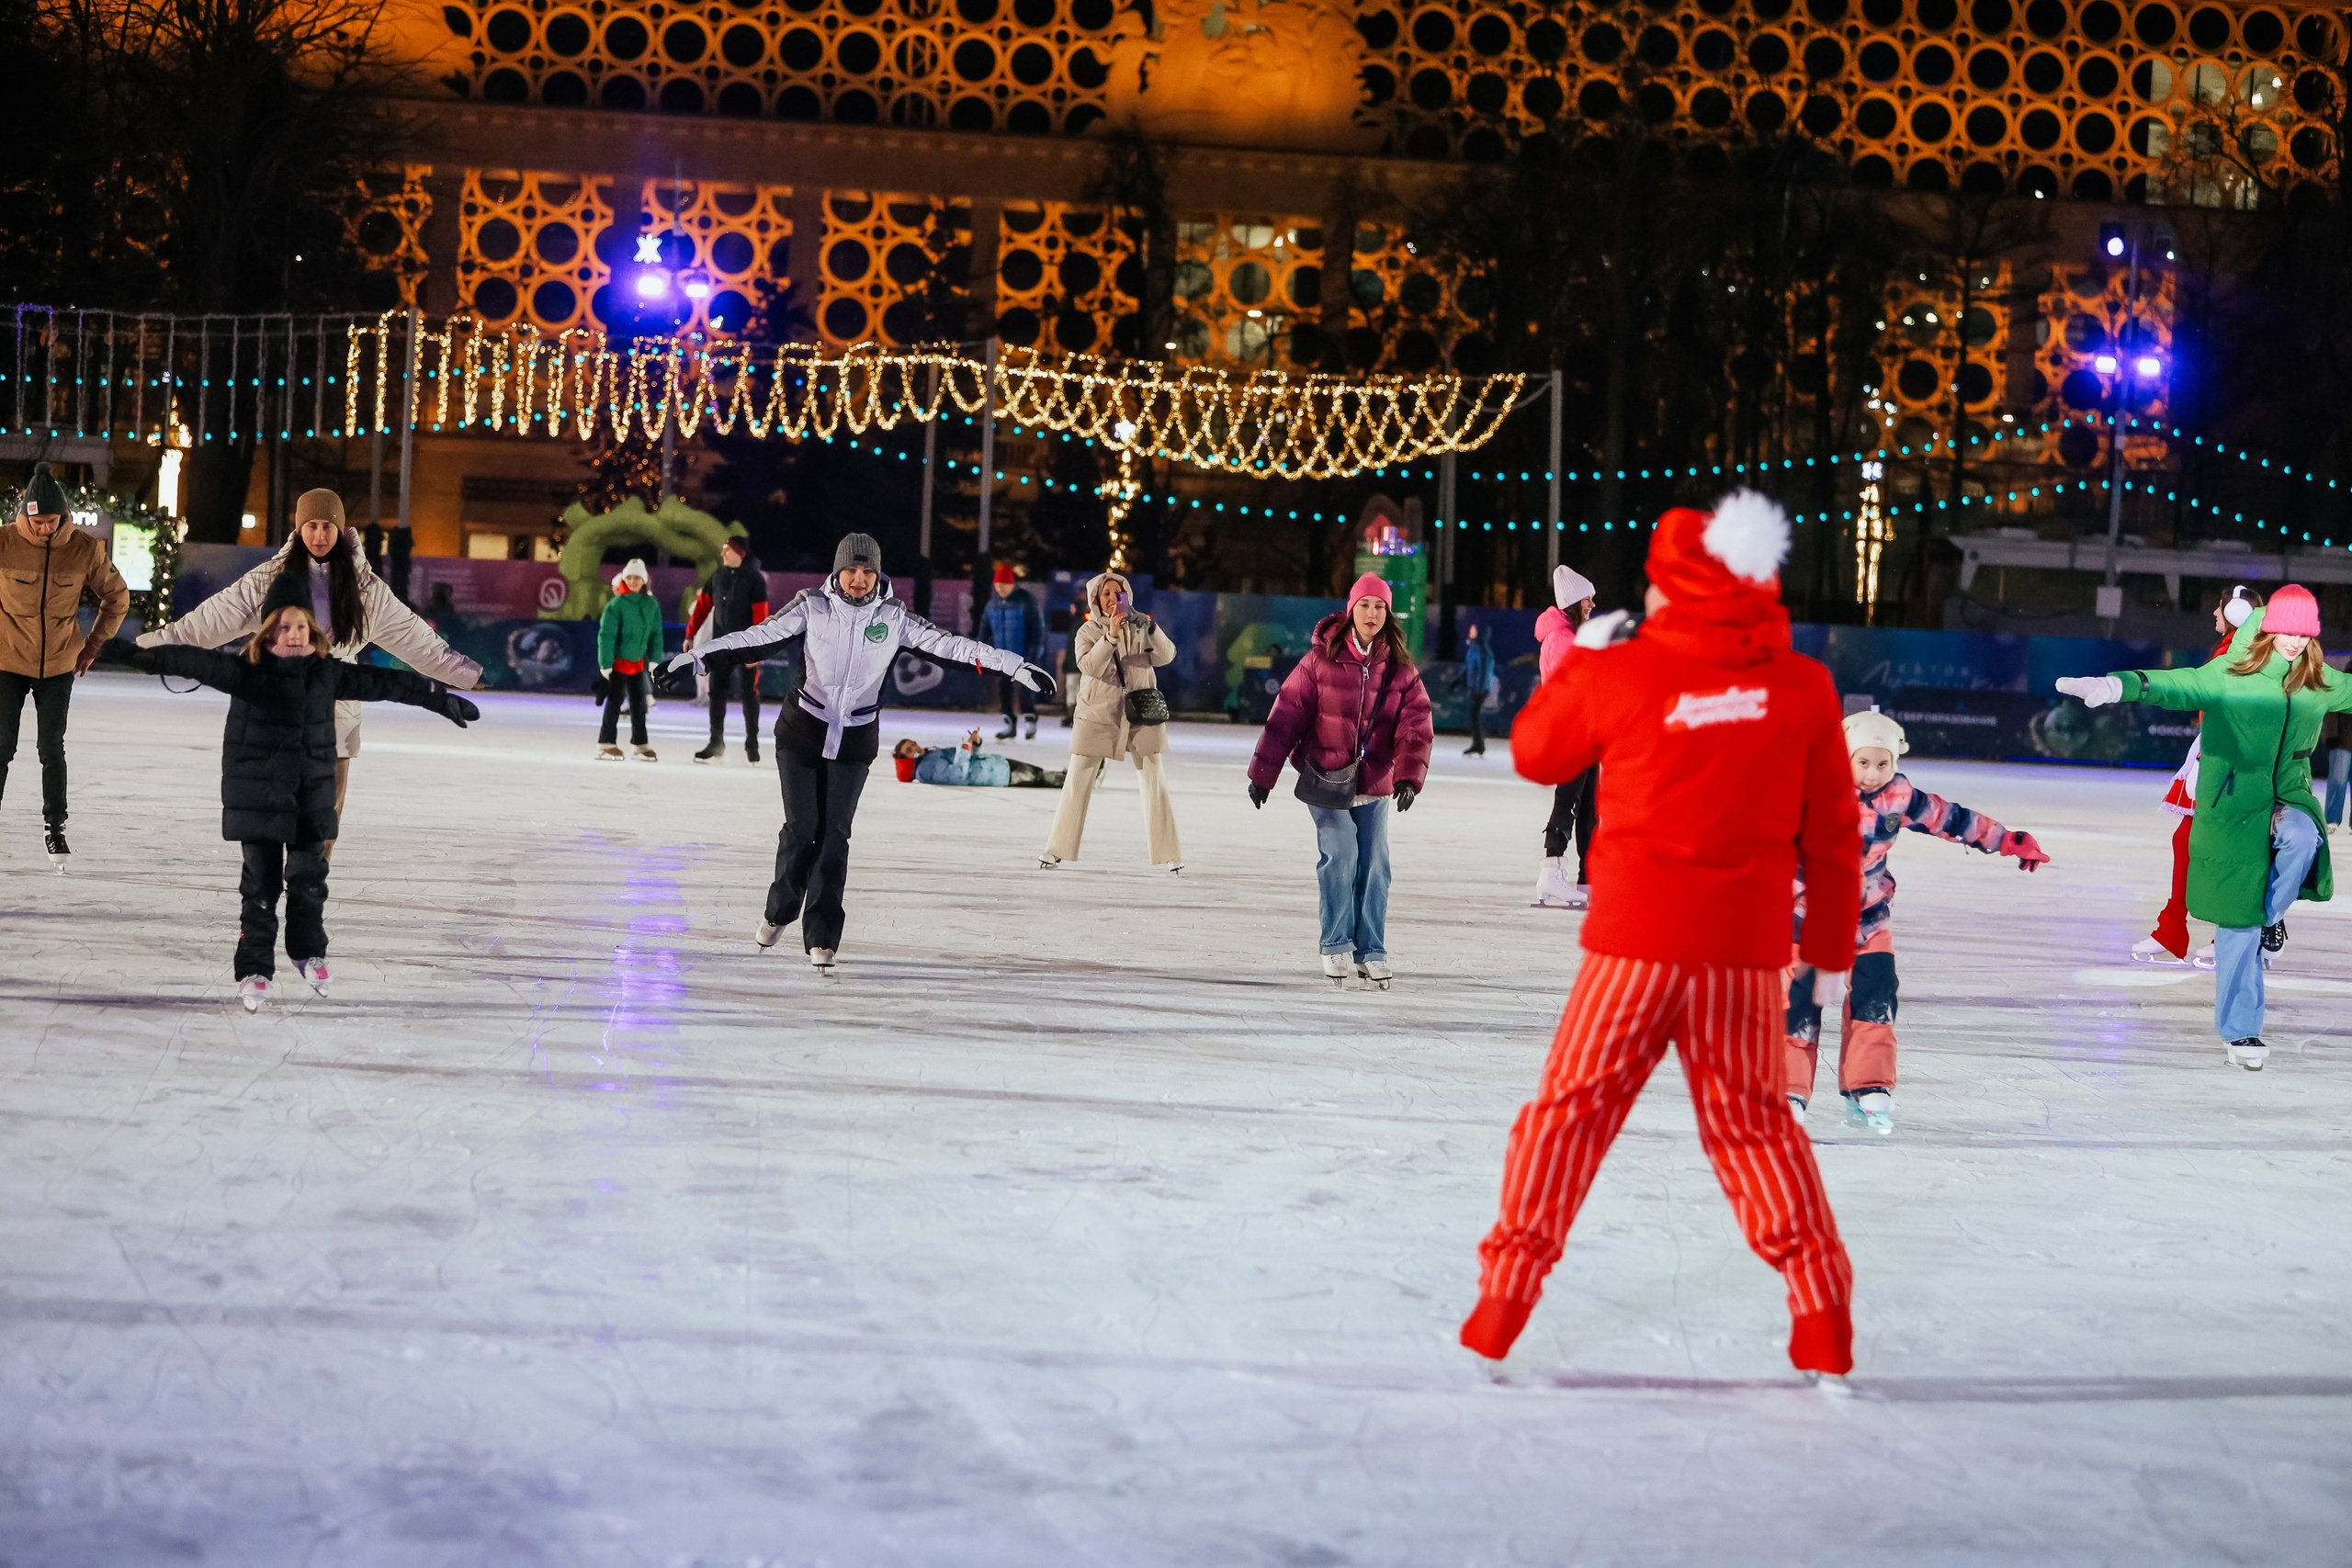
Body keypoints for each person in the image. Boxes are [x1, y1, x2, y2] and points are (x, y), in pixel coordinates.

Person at [1459, 492, 1864, 1380]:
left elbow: (1534, 754)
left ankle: (1503, 1301)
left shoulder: (1625, 670)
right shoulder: (1801, 686)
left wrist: (1579, 665)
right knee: (1757, 1132)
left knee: (1567, 1119)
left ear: (1665, 582)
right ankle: (1822, 1310)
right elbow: (1836, 838)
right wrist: (1831, 955)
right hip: (1741, 962)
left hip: (1630, 951)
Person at [669, 532, 1053, 973]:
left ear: (878, 574)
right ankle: (779, 910)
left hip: (854, 740)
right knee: (802, 828)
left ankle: (822, 936)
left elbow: (954, 648)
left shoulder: (895, 618)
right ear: (837, 570)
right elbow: (756, 638)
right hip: (801, 734)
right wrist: (697, 659)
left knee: (834, 836)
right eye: (851, 569)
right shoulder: (811, 606)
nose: (858, 578)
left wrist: (1016, 666)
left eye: (867, 570)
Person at [107, 592, 480, 1011]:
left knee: (309, 881)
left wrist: (438, 697)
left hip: (310, 798)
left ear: (313, 632)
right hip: (260, 800)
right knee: (261, 890)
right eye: (285, 626)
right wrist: (127, 652)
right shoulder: (246, 672)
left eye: (301, 626)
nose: (294, 633)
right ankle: (254, 969)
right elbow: (187, 660)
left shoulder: (326, 673)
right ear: (268, 632)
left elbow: (387, 684)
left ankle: (307, 952)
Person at [2059, 584, 2352, 1071]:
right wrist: (2116, 686)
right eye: (2288, 630)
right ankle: (2241, 1033)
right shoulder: (2230, 673)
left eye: (2306, 633)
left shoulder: (2316, 679)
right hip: (2232, 803)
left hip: (2289, 795)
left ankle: (2270, 916)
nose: (2296, 642)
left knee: (2303, 839)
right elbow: (2176, 684)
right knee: (2237, 922)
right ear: (2268, 626)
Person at [139, 488, 481, 858]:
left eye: (328, 527)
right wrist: (143, 650)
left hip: (337, 705)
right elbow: (207, 622)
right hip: (277, 701)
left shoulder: (366, 588)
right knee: (273, 803)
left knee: (322, 818)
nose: (320, 536)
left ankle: (310, 882)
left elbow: (416, 639)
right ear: (299, 528)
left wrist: (467, 674)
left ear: (341, 530)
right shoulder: (270, 577)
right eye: (312, 526)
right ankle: (270, 880)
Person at [1787, 709, 2049, 1134]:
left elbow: (1953, 819)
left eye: (1883, 764)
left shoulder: (1900, 796)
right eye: (1863, 762)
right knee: (1798, 1005)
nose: (1873, 774)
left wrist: (2008, 840)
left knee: (1877, 995)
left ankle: (1868, 1086)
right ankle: (1788, 1092)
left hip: (1868, 917)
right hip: (1806, 919)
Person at [1246, 572, 1433, 988]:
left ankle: (1371, 950)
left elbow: (1416, 725)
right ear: (1351, 610)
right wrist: (1264, 773)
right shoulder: (1319, 661)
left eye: (1380, 606)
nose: (1371, 613)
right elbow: (1286, 716)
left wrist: (1408, 776)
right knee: (1341, 858)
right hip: (1326, 778)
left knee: (1376, 867)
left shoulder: (1400, 668)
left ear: (1388, 613)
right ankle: (1335, 945)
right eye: (1364, 605)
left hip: (1375, 782)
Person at [1, 468, 130, 868]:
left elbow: (117, 597)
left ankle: (55, 827)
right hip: (6, 661)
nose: (43, 529)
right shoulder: (4, 542)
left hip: (59, 662)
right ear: (25, 515)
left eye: (51, 522)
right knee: (1, 746)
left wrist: (93, 644)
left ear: (63, 516)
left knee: (50, 748)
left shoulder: (84, 549)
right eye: (37, 521)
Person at [2132, 587, 2256, 965]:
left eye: (2217, 608)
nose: (2213, 615)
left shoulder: (2244, 652)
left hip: (2234, 764)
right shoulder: (2231, 649)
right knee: (2186, 840)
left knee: (2223, 849)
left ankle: (2231, 936)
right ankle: (2172, 929)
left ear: (2234, 611)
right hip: (2214, 753)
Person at [1042, 569, 1182, 873]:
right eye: (1105, 593)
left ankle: (1169, 853)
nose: (1111, 599)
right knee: (1078, 779)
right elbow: (1090, 666)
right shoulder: (1087, 632)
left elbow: (1168, 655)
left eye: (1117, 593)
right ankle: (1057, 849)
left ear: (1127, 596)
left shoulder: (1142, 627)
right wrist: (1112, 635)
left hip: (1141, 713)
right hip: (1098, 713)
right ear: (1096, 598)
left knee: (1154, 781)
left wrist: (1151, 627)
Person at [1532, 564, 1598, 908]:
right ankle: (1552, 869)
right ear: (1574, 600)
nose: (1592, 603)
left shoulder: (1576, 639)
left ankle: (1589, 880)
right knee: (1568, 803)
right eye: (1588, 598)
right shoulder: (1561, 640)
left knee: (1589, 807)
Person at [686, 536, 768, 763]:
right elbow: (702, 607)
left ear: (739, 553)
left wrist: (757, 649)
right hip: (720, 646)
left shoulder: (755, 579)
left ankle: (752, 743)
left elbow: (761, 615)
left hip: (746, 647)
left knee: (748, 693)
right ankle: (716, 742)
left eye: (726, 550)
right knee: (716, 693)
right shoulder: (718, 576)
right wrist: (690, 634)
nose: (722, 554)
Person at [596, 558, 662, 761]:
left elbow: (656, 633)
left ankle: (640, 744)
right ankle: (606, 743)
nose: (633, 581)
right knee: (614, 702)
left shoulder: (651, 604)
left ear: (644, 580)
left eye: (637, 577)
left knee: (639, 705)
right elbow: (606, 635)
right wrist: (605, 662)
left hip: (637, 664)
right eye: (629, 577)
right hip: (618, 663)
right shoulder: (616, 605)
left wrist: (655, 658)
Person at [980, 563, 1046, 741]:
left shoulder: (1025, 600)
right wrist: (978, 649)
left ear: (1011, 584)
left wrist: (1034, 651)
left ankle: (1030, 719)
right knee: (1004, 690)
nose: (1000, 588)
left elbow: (1037, 627)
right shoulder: (992, 604)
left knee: (1026, 689)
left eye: (1003, 584)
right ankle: (1009, 723)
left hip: (1023, 656)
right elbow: (984, 629)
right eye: (997, 585)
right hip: (1002, 657)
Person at [893, 731, 1066, 789]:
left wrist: (974, 744)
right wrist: (966, 747)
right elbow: (957, 775)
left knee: (1041, 774)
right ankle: (1079, 781)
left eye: (913, 743)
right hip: (996, 774)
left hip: (995, 766)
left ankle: (1076, 778)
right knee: (1041, 777)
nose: (915, 747)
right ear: (905, 760)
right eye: (910, 749)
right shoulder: (925, 768)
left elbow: (966, 759)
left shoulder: (928, 757)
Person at [1461, 619, 1495, 756]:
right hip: (1475, 688)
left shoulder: (1481, 650)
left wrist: (1478, 689)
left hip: (1479, 689)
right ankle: (1478, 744)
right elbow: (1468, 668)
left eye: (1473, 630)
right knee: (1473, 716)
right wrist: (1458, 681)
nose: (1470, 632)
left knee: (1474, 715)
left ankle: (1478, 744)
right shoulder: (1474, 648)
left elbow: (1482, 671)